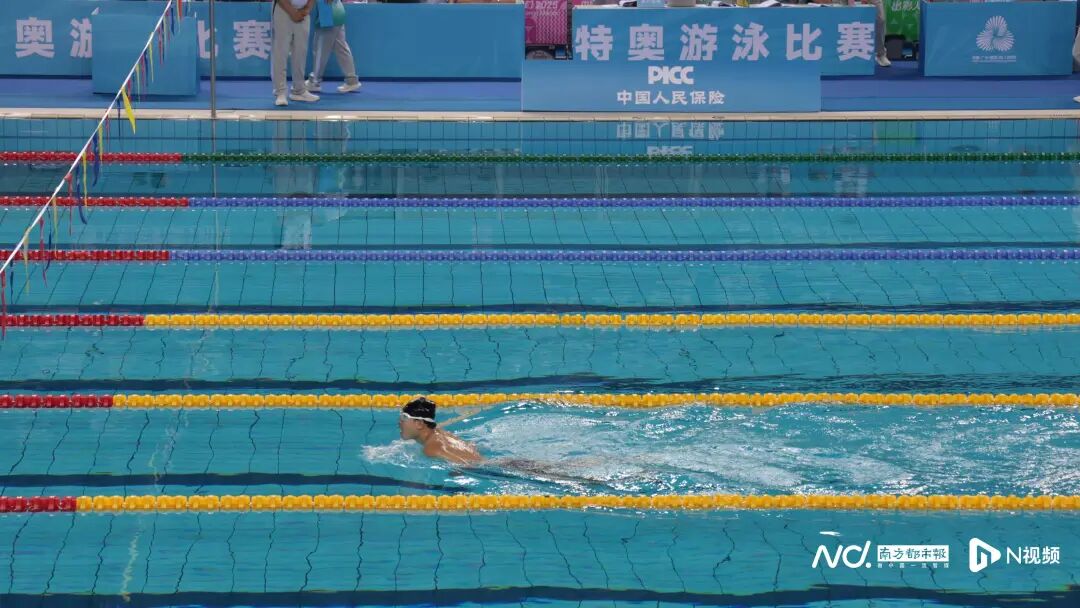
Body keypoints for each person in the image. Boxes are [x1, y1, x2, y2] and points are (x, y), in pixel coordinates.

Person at [399, 398, 483, 465]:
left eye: (404, 418)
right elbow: (470, 447)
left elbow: (467, 465)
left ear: (419, 424)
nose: (399, 422)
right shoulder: (439, 433)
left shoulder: (430, 449)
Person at [306, 0, 362, 94]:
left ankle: (314, 81)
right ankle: (352, 80)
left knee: (320, 50)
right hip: (337, 12)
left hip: (327, 13)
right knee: (341, 48)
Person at [272, 0, 320, 107]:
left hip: (303, 12)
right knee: (281, 53)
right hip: (283, 9)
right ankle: (280, 92)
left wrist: (307, 8)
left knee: (300, 53)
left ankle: (299, 90)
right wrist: (292, 12)